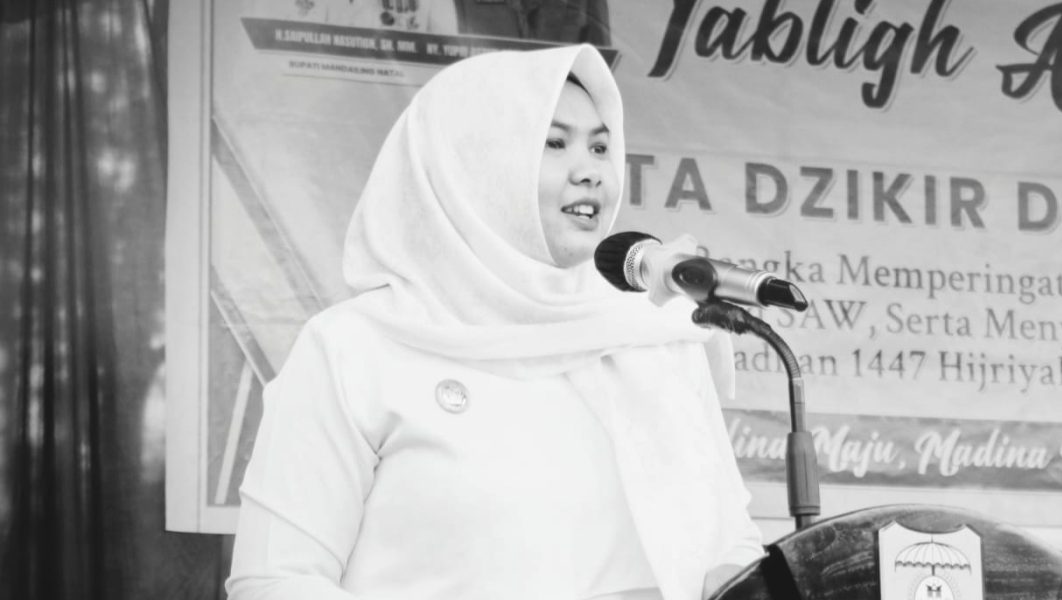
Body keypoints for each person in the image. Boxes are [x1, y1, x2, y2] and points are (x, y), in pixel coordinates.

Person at [225, 45, 764, 599]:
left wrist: (740, 579)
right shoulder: (354, 349)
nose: (591, 172)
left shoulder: (654, 335)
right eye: (554, 143)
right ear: (471, 162)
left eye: (601, 147)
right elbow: (276, 581)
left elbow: (731, 540)